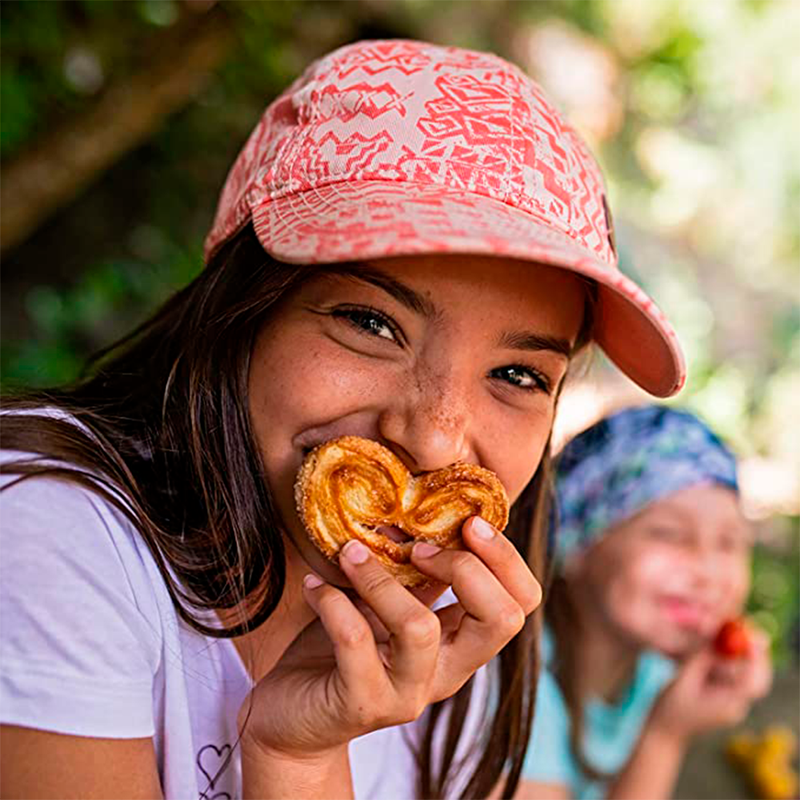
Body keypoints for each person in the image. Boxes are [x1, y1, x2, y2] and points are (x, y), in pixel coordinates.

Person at [0, 40, 685, 800]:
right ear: (242, 309)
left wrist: (302, 757)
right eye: (371, 322)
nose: (432, 438)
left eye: (518, 375)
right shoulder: (53, 530)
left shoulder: (448, 640)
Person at [516, 405, 773, 800]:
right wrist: (665, 737)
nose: (708, 571)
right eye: (669, 535)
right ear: (577, 543)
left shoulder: (654, 675)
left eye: (729, 543)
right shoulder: (516, 681)